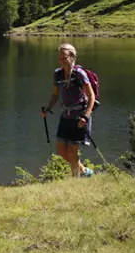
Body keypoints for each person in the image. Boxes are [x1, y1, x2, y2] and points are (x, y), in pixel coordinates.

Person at [41, 42, 96, 177]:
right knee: (61, 151)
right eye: (59, 57)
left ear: (72, 57)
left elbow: (91, 95)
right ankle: (85, 172)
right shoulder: (58, 74)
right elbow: (55, 95)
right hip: (66, 115)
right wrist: (48, 108)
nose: (61, 60)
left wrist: (86, 116)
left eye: (64, 57)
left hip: (79, 116)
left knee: (72, 151)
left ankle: (75, 180)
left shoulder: (79, 73)